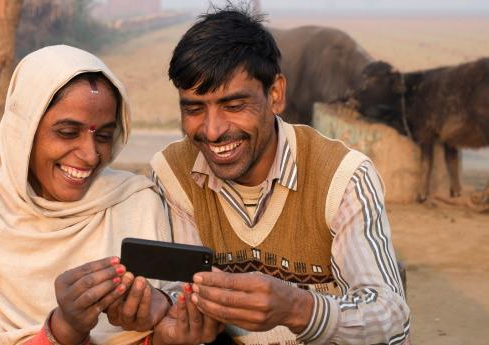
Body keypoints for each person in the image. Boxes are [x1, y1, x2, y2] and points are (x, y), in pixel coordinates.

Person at [150, 7, 411, 345]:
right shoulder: (172, 173)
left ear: (275, 95)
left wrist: (299, 309)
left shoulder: (344, 176)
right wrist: (170, 314)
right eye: (194, 109)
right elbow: (178, 292)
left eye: (234, 105)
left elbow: (390, 317)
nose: (212, 132)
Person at [0, 45, 198, 345]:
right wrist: (64, 329)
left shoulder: (136, 202)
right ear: (24, 129)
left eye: (102, 135)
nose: (90, 155)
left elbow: (178, 319)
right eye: (67, 132)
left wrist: (163, 312)